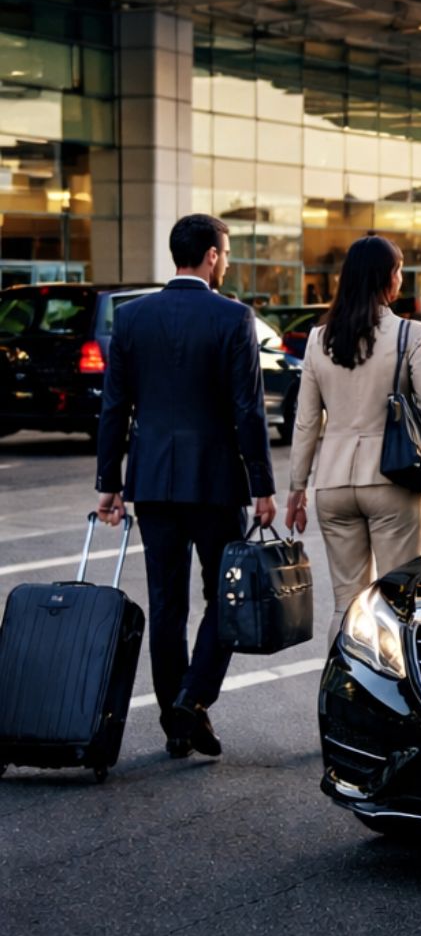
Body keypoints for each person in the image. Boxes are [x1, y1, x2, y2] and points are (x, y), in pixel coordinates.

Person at [95, 214, 277, 759]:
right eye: (225, 253)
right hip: (216, 483)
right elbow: (248, 410)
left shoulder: (132, 318)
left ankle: (180, 720)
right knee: (226, 596)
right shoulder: (233, 317)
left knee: (165, 601)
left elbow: (114, 406)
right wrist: (263, 486)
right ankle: (192, 701)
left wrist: (110, 481)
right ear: (213, 256)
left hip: (151, 482)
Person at [284, 235, 421, 639]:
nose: (400, 278)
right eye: (397, 270)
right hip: (392, 479)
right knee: (395, 599)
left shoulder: (318, 339)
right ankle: (388, 696)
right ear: (385, 278)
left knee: (347, 603)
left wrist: (296, 489)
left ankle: (342, 684)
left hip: (334, 484)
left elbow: (307, 421)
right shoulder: (407, 333)